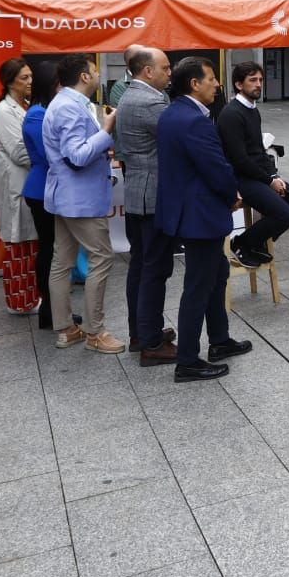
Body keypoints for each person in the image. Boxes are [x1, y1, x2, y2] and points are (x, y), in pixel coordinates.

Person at [155, 57, 251, 381]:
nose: (217, 84)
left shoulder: (174, 113)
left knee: (217, 273)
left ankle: (220, 340)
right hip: (200, 213)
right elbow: (216, 168)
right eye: (211, 79)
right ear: (194, 84)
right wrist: (232, 195)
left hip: (190, 210)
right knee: (198, 285)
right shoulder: (194, 120)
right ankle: (187, 360)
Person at [43, 53, 122, 353]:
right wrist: (106, 132)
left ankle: (67, 329)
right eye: (95, 70)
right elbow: (76, 156)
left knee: (61, 262)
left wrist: (101, 143)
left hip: (68, 197)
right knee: (100, 258)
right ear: (85, 76)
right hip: (79, 200)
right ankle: (94, 332)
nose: (99, 74)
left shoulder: (67, 104)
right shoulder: (68, 107)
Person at [113, 45, 178, 362]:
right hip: (151, 196)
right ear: (147, 71)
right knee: (154, 268)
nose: (170, 73)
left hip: (137, 192)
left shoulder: (127, 94)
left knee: (140, 265)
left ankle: (141, 331)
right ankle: (151, 341)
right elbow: (177, 137)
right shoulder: (150, 100)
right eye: (165, 68)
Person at [218, 61, 289, 267]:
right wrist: (269, 180)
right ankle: (241, 243)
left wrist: (275, 175)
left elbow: (260, 151)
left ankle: (256, 241)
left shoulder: (253, 110)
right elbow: (239, 159)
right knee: (284, 213)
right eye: (252, 80)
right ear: (239, 85)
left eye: (260, 80)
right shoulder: (231, 114)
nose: (259, 84)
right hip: (240, 178)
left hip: (258, 175)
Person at [0, 57, 40, 316]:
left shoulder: (24, 106)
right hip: (19, 186)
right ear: (10, 82)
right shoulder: (4, 112)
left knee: (31, 247)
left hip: (29, 186)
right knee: (20, 247)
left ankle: (30, 298)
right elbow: (21, 154)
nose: (30, 82)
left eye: (31, 76)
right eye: (24, 78)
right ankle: (19, 302)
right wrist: (49, 155)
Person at [20, 60, 62, 334]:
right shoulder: (37, 114)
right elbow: (51, 153)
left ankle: (55, 309)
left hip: (49, 187)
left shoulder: (43, 110)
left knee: (54, 248)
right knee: (48, 249)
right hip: (41, 188)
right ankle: (49, 309)